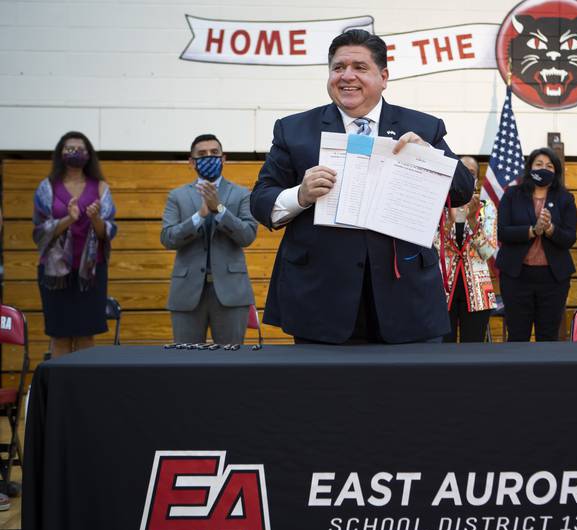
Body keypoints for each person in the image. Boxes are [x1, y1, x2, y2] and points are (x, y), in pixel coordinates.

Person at [250, 29, 473, 344]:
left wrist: (428, 157)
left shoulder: (423, 127)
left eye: (359, 67)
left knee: (413, 393)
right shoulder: (294, 130)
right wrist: (300, 195)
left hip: (406, 298)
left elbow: (462, 191)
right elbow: (261, 202)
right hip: (321, 300)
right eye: (338, 68)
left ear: (383, 77)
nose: (346, 76)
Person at [161, 134, 258, 345]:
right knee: (185, 361)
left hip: (231, 292)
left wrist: (219, 210)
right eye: (202, 154)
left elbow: (247, 235)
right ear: (191, 161)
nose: (209, 157)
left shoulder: (241, 193)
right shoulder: (177, 196)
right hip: (186, 293)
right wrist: (200, 216)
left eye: (214, 153)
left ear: (223, 159)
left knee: (231, 364)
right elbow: (168, 238)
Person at [33, 131, 117, 358]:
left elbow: (108, 233)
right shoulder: (46, 188)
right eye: (69, 148)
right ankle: (61, 391)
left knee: (86, 336)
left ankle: (86, 391)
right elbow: (39, 233)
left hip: (90, 273)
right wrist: (69, 219)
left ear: (89, 155)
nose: (75, 153)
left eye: (80, 149)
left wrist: (95, 219)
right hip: (54, 274)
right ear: (60, 153)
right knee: (59, 336)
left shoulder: (101, 188)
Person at [496, 147, 577, 342]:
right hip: (517, 277)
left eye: (549, 166)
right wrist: (533, 230)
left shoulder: (565, 198)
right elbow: (502, 231)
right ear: (529, 168)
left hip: (553, 279)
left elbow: (569, 238)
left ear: (556, 172)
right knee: (517, 336)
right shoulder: (512, 194)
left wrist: (549, 229)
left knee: (548, 336)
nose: (544, 169)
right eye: (538, 164)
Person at [435, 156, 498, 342]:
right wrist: (450, 222)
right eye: (461, 171)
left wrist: (472, 220)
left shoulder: (486, 208)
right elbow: (432, 247)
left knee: (474, 351)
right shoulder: (439, 206)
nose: (465, 176)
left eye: (470, 173)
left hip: (478, 292)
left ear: (476, 180)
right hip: (443, 290)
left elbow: (487, 252)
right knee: (443, 350)